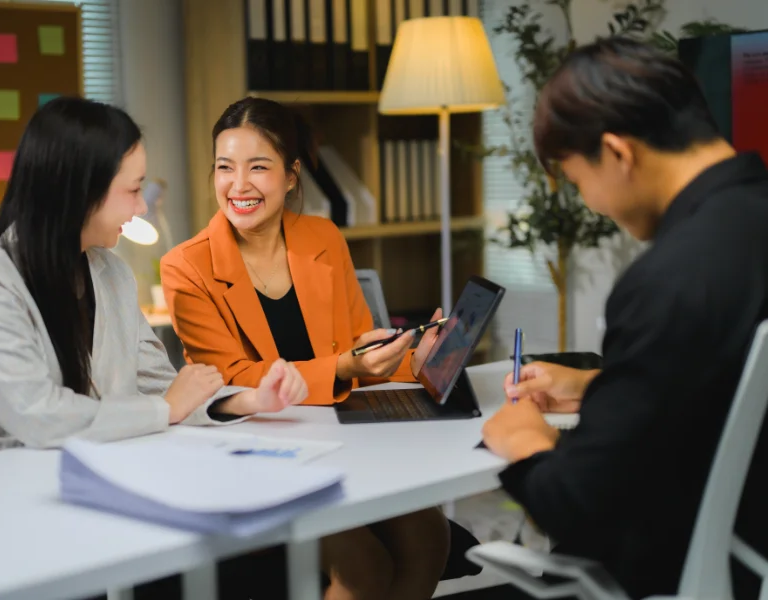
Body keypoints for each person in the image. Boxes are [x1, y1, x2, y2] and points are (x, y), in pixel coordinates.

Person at [480, 38, 768, 600]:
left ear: (617, 153)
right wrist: (598, 387)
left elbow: (578, 505)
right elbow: (725, 386)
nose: (591, 203)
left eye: (578, 178)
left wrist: (525, 441)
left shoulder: (671, 277)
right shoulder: (749, 225)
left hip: (671, 571)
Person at [161, 96, 450, 599]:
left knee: (430, 536)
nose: (238, 185)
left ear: (291, 176)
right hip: (255, 455)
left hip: (341, 438)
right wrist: (344, 366)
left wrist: (412, 356)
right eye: (224, 168)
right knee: (363, 569)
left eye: (259, 167)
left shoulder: (322, 236)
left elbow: (360, 343)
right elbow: (225, 379)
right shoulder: (186, 267)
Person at [0, 96, 307, 460]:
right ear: (81, 191)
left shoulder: (111, 273)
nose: (142, 207)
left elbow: (164, 387)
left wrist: (249, 400)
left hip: (94, 468)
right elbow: (37, 415)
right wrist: (166, 410)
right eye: (133, 190)